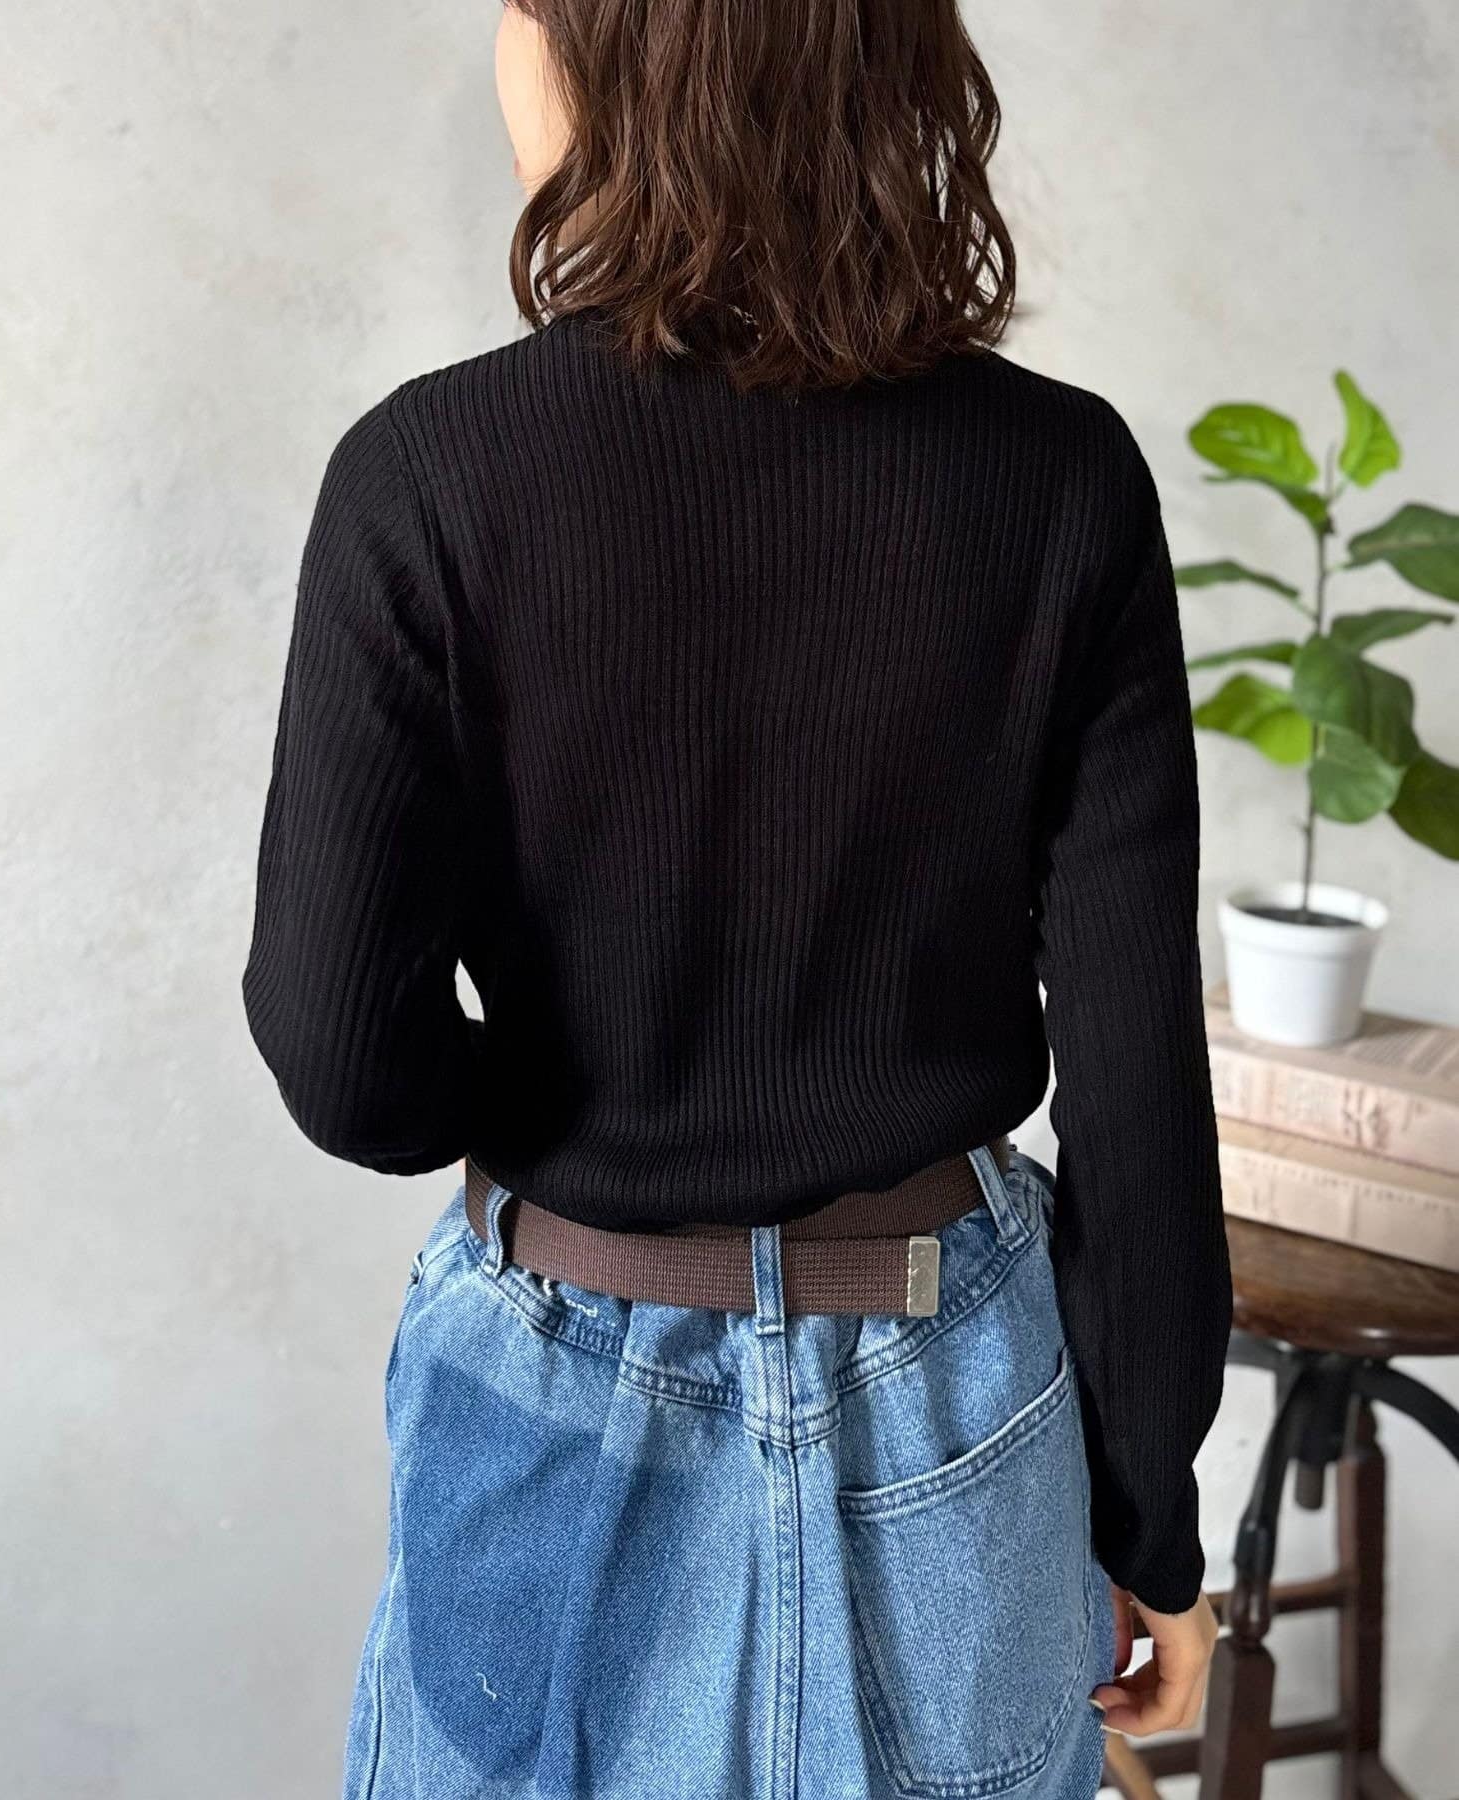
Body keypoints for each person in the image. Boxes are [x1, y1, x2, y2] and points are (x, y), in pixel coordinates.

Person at [241, 1, 1232, 1794]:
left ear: (601, 52)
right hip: (949, 1371)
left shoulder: (426, 477)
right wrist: (1150, 1521)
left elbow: (340, 1054)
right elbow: (1138, 1076)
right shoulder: (1064, 479)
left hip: (552, 1360)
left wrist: (573, 1103)